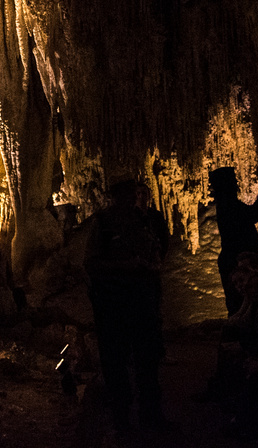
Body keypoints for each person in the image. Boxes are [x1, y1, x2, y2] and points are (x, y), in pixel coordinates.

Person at [86, 179, 171, 430]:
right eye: (126, 195)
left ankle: (151, 415)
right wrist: (124, 266)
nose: (132, 200)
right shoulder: (102, 224)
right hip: (114, 303)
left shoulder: (144, 220)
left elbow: (157, 247)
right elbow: (91, 262)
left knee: (148, 358)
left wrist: (153, 262)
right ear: (115, 197)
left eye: (133, 195)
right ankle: (121, 419)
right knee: (116, 361)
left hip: (143, 300)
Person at [212, 166, 258, 316]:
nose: (237, 185)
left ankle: (238, 327)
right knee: (242, 299)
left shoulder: (225, 205)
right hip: (237, 262)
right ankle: (241, 331)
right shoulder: (229, 205)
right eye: (234, 182)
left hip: (233, 260)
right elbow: (257, 212)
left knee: (238, 301)